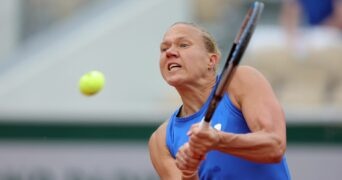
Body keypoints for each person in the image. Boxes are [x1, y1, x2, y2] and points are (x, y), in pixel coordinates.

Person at [148, 22, 291, 180]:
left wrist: (218, 140)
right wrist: (189, 172)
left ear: (212, 60)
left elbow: (275, 146)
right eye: (164, 48)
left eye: (183, 45)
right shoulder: (161, 141)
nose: (170, 52)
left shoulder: (241, 80)